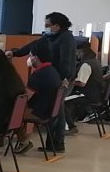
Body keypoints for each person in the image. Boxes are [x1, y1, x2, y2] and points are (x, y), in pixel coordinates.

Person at [9, 12, 75, 152]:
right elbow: (34, 45)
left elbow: (66, 61)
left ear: (57, 26)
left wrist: (63, 79)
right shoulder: (50, 37)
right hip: (53, 76)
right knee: (56, 111)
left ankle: (57, 144)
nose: (45, 28)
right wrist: (15, 53)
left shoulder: (66, 39)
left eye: (48, 25)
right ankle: (53, 144)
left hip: (61, 79)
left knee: (58, 112)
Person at [24, 45, 64, 153]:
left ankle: (23, 141)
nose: (28, 58)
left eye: (30, 56)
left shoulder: (38, 75)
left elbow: (25, 97)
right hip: (51, 111)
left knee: (15, 114)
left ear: (36, 58)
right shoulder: (52, 71)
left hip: (40, 112)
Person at [69, 41, 104, 124]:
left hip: (86, 94)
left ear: (81, 51)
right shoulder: (95, 61)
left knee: (62, 100)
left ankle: (69, 124)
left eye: (76, 52)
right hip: (96, 94)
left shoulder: (86, 64)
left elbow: (81, 83)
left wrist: (69, 83)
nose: (76, 54)